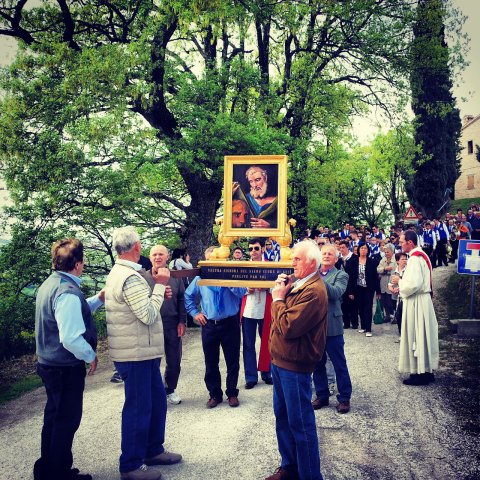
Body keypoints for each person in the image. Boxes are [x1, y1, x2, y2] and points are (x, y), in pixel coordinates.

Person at [105, 227, 181, 480]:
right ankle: (130, 465)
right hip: (135, 354)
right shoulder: (128, 276)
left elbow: (140, 306)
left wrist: (157, 292)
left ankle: (152, 450)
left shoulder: (125, 273)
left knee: (157, 401)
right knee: (138, 408)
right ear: (137, 247)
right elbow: (148, 315)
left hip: (143, 352)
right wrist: (160, 287)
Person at [34, 238, 102, 480]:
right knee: (66, 421)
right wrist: (90, 355)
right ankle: (59, 475)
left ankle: (48, 470)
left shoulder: (51, 284)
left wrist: (98, 299)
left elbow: (72, 313)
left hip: (49, 365)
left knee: (54, 418)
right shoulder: (68, 292)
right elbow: (71, 338)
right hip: (64, 369)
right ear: (78, 264)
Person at [265, 241, 328, 480]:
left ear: (312, 263)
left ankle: (310, 476)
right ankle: (289, 467)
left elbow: (288, 327)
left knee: (301, 424)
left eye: (297, 259)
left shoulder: (314, 291)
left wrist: (278, 298)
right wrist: (287, 290)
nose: (292, 263)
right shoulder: (301, 284)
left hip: (295, 365)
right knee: (283, 418)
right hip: (280, 361)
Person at [184, 246, 246, 408]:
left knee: (232, 360)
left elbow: (242, 292)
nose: (213, 263)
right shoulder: (200, 279)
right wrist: (195, 313)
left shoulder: (232, 275)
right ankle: (214, 394)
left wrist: (228, 281)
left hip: (230, 323)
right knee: (210, 362)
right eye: (210, 260)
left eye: (217, 260)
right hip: (209, 325)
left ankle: (232, 393)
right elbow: (188, 296)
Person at [394, 231, 439, 386]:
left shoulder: (414, 258)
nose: (400, 244)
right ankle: (427, 370)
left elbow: (413, 284)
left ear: (410, 243)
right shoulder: (422, 255)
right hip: (422, 300)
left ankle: (419, 373)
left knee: (416, 335)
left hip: (416, 302)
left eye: (402, 241)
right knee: (424, 335)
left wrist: (399, 282)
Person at [312, 245, 352, 414]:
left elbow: (336, 293)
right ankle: (322, 395)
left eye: (330, 254)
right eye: (324, 253)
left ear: (336, 259)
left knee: (338, 363)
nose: (326, 256)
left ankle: (344, 398)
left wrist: (317, 280)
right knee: (317, 364)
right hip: (314, 326)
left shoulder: (341, 275)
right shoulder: (312, 274)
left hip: (332, 326)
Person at [148, 245, 186, 405]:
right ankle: (154, 393)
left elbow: (182, 299)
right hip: (150, 324)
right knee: (152, 361)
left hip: (171, 323)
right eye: (154, 254)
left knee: (174, 360)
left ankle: (170, 389)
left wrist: (182, 321)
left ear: (167, 257)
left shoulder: (175, 277)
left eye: (161, 254)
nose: (157, 257)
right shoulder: (143, 277)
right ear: (150, 258)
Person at [240, 238, 273, 389]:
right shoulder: (244, 266)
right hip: (249, 309)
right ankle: (251, 377)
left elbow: (277, 285)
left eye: (256, 248)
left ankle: (267, 373)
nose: (253, 251)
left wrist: (267, 288)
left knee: (267, 341)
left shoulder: (270, 266)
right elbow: (236, 287)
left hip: (265, 308)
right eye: (251, 249)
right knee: (248, 344)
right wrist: (247, 289)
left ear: (262, 250)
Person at [354, 243, 381, 337]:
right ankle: (363, 326)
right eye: (362, 248)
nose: (363, 250)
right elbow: (351, 277)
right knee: (360, 308)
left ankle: (368, 329)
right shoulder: (353, 261)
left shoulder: (372, 261)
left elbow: (375, 277)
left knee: (368, 308)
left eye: (365, 248)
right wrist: (350, 291)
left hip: (369, 288)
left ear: (368, 250)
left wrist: (378, 291)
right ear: (358, 249)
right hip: (358, 287)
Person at [338, 240, 358, 329]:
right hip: (342, 285)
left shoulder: (354, 258)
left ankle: (354, 323)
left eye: (343, 247)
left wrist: (351, 290)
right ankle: (346, 322)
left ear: (347, 247)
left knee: (353, 305)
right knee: (343, 304)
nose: (341, 249)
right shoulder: (339, 259)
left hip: (352, 284)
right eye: (340, 248)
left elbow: (354, 275)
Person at [377, 244, 397, 322]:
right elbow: (378, 269)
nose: (386, 253)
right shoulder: (383, 259)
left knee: (392, 302)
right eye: (385, 252)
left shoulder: (396, 260)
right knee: (384, 301)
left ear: (392, 251)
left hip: (393, 284)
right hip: (384, 283)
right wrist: (385, 268)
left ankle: (395, 316)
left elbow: (396, 271)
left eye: (387, 252)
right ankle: (387, 315)